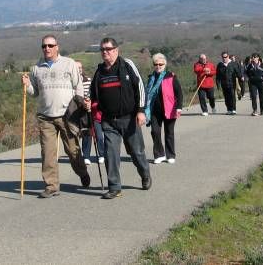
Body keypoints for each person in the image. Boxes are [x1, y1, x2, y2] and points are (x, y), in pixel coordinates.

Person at [21, 35, 90, 198]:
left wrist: (79, 106)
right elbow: (35, 93)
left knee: (73, 150)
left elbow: (78, 85)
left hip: (67, 115)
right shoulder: (36, 68)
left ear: (57, 47)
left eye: (50, 45)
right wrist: (27, 85)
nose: (47, 48)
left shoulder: (69, 63)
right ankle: (51, 185)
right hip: (45, 117)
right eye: (44, 46)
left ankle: (82, 173)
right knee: (48, 153)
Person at [88, 37, 151, 199]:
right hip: (109, 121)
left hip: (129, 118)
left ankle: (145, 174)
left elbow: (140, 88)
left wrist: (141, 110)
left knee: (136, 152)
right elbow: (94, 95)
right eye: (102, 49)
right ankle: (114, 186)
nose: (105, 52)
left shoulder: (127, 65)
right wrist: (91, 105)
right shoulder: (100, 71)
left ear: (116, 50)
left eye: (108, 49)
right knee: (110, 153)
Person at [145, 53, 183, 164]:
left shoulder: (171, 76)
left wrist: (179, 107)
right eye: (156, 64)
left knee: (169, 132)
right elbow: (147, 95)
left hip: (169, 109)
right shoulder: (150, 78)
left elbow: (179, 93)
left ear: (165, 65)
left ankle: (170, 154)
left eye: (160, 64)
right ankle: (159, 154)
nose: (158, 66)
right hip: (154, 110)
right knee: (155, 132)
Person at [77, 61, 105, 165]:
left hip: (91, 110)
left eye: (80, 67)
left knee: (99, 134)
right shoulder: (71, 82)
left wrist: (90, 102)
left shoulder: (88, 80)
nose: (78, 69)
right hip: (79, 112)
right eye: (76, 68)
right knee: (86, 134)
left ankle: (102, 154)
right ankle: (86, 156)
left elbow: (93, 94)